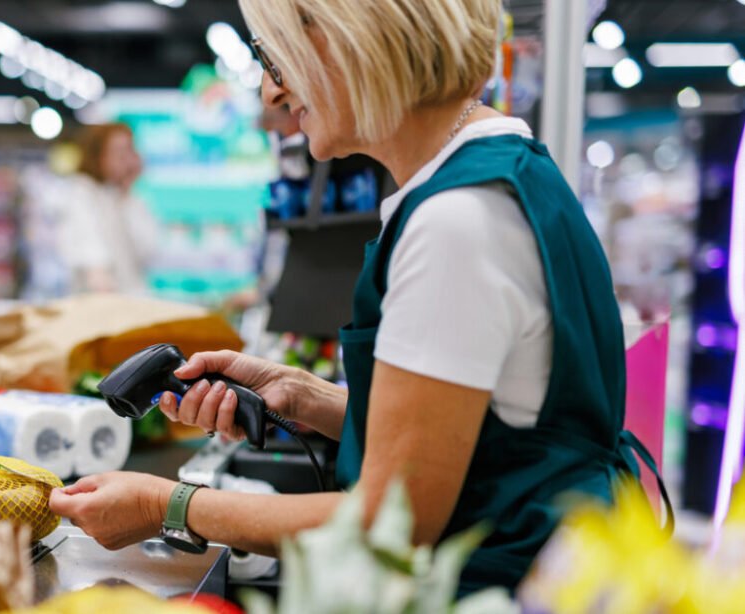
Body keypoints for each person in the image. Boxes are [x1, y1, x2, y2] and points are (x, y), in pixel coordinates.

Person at [50, 0, 664, 595]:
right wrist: (306, 397)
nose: (272, 93)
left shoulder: (454, 223)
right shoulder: (504, 172)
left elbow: (387, 524)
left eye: (274, 57)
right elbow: (487, 441)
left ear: (344, 40)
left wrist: (169, 505)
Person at [58, 123, 159, 295]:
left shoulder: (126, 197)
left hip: (131, 299)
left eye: (130, 150)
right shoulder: (82, 192)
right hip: (102, 303)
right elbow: (90, 251)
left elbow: (147, 251)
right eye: (119, 152)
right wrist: (100, 279)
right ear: (98, 155)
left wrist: (127, 194)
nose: (126, 159)